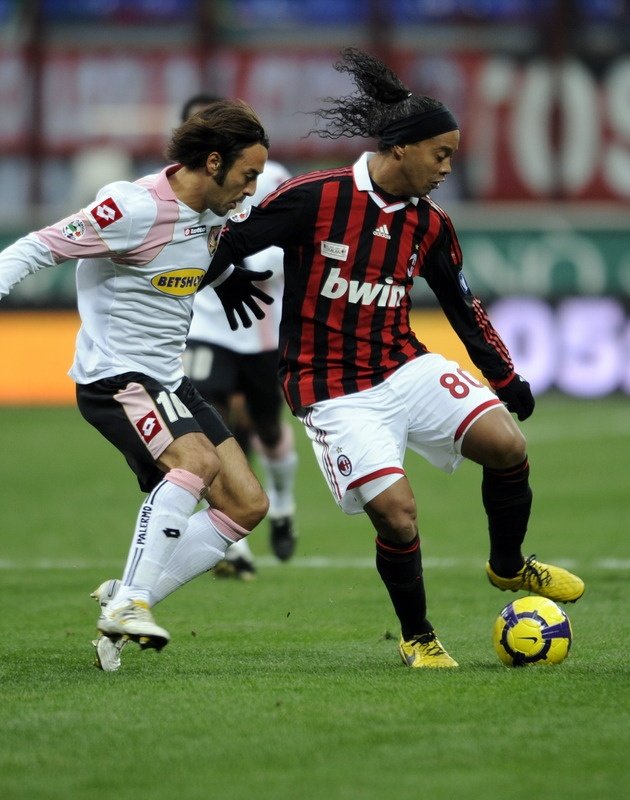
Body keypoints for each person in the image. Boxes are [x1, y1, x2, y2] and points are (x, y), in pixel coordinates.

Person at [200, 48, 585, 668]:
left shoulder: (431, 224)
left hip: (403, 365)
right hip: (329, 387)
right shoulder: (315, 198)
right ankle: (418, 637)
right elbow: (226, 239)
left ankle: (509, 567)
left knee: (508, 446)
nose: (447, 168)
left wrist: (504, 374)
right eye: (442, 154)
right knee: (398, 515)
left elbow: (462, 303)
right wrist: (223, 281)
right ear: (402, 149)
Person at [0, 99, 275, 671]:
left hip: (168, 381)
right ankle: (131, 601)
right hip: (115, 376)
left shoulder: (215, 212)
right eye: (248, 175)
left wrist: (223, 279)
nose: (251, 188)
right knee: (195, 463)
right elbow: (35, 247)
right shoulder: (130, 208)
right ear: (215, 162)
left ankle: (124, 598)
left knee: (246, 504)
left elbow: (201, 248)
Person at [181, 94, 298, 578]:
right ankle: (234, 544)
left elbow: (294, 241)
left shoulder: (272, 179)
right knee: (214, 425)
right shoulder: (181, 187)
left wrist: (248, 264)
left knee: (266, 426)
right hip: (207, 324)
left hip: (262, 327)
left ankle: (285, 506)